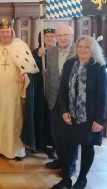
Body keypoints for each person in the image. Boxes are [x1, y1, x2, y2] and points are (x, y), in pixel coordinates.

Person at [0, 19, 39, 160]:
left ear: (12, 32)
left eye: (7, 32)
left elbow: (29, 66)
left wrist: (25, 73)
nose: (5, 35)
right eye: (2, 32)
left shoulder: (20, 45)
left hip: (14, 89)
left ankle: (15, 150)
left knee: (13, 117)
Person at [52, 36, 106, 189]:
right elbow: (62, 90)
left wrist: (100, 119)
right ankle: (66, 178)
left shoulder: (99, 67)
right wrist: (64, 111)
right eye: (80, 46)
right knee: (64, 145)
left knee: (87, 146)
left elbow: (103, 95)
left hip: (89, 117)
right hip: (69, 115)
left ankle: (82, 179)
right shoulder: (70, 64)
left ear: (93, 49)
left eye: (87, 47)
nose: (83, 49)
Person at [44, 25, 78, 177]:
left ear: (72, 36)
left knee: (70, 134)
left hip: (71, 102)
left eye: (66, 35)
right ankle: (60, 159)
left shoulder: (79, 52)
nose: (62, 38)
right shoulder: (50, 52)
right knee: (56, 133)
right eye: (60, 35)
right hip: (53, 99)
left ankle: (70, 164)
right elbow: (51, 76)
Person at [21, 29, 57, 156]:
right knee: (40, 115)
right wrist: (38, 58)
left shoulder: (60, 52)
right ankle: (38, 142)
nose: (50, 39)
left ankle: (54, 145)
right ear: (42, 39)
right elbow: (29, 68)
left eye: (53, 36)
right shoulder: (36, 52)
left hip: (55, 92)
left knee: (52, 119)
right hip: (40, 91)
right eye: (47, 36)